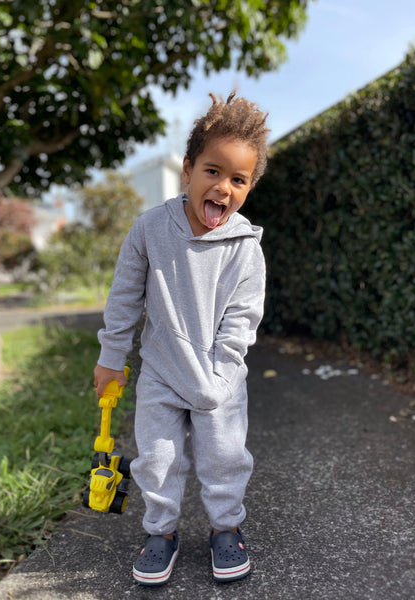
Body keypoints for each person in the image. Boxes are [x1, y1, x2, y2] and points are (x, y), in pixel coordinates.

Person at [94, 92, 269, 586]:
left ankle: (226, 528)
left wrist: (221, 379)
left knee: (225, 458)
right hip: (161, 371)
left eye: (238, 180)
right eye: (213, 171)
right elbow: (125, 297)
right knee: (157, 458)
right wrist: (111, 357)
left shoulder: (246, 249)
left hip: (220, 378)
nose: (223, 187)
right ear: (187, 170)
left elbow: (242, 319)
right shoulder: (150, 228)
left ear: (249, 187)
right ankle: (161, 532)